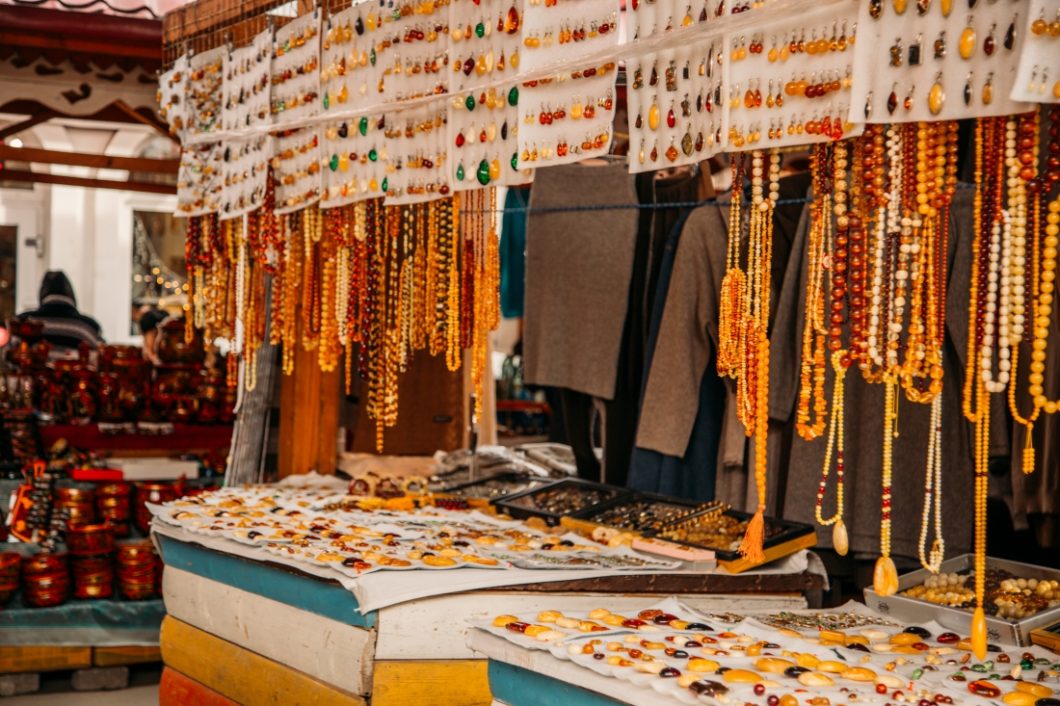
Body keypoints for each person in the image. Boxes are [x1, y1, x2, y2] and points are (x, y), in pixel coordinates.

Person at [18, 271, 103, 353]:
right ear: (71, 294)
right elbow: (102, 356)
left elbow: (7, 358)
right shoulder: (90, 327)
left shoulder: (21, 324)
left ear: (42, 294)